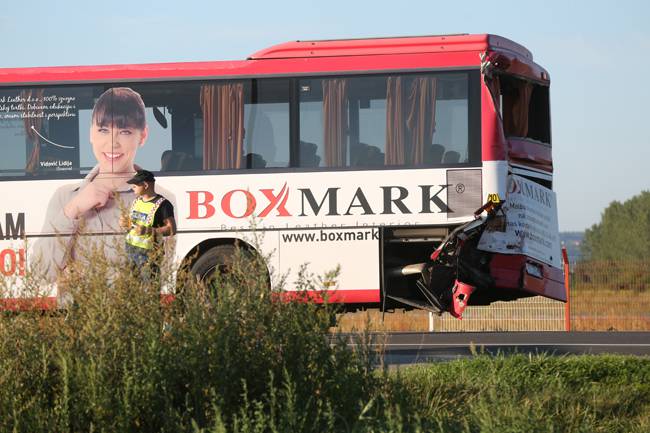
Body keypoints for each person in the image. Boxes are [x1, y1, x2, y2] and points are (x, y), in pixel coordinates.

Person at [32, 87, 175, 285]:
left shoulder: (160, 199)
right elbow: (41, 274)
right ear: (91, 133)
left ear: (143, 136)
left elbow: (159, 276)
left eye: (124, 131)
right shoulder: (66, 197)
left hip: (133, 315)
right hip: (79, 315)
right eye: (103, 130)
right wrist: (73, 210)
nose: (112, 143)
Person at [121, 169, 176, 275]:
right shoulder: (137, 201)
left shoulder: (163, 204)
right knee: (130, 287)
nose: (132, 188)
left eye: (135, 186)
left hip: (149, 253)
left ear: (145, 185)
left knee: (150, 287)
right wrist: (125, 223)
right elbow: (133, 224)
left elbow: (171, 229)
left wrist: (148, 230)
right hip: (130, 249)